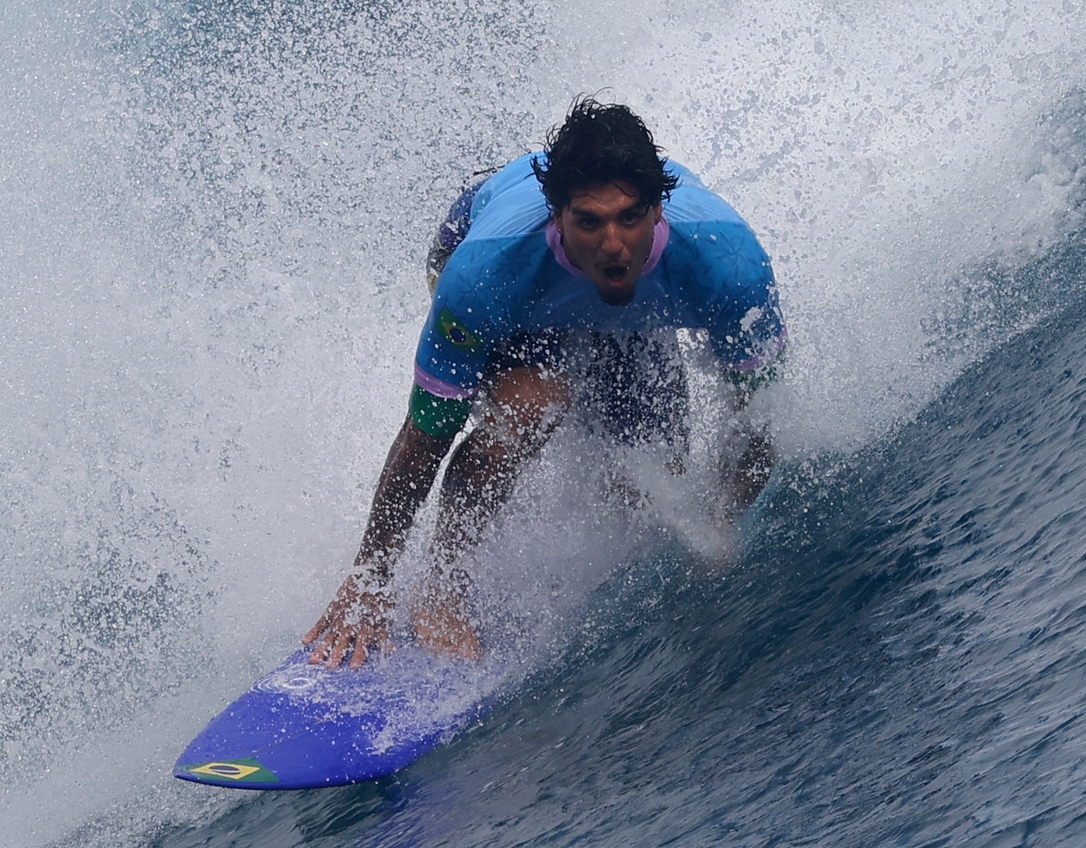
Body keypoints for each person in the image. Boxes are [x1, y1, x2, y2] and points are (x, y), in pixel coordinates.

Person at [304, 98, 787, 667]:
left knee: (652, 482)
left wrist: (719, 519)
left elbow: (758, 421)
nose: (613, 243)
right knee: (529, 408)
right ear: (556, 216)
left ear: (659, 210)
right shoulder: (486, 272)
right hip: (510, 279)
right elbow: (425, 436)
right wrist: (370, 577)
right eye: (589, 221)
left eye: (629, 218)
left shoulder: (728, 268)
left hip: (630, 307)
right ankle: (442, 587)